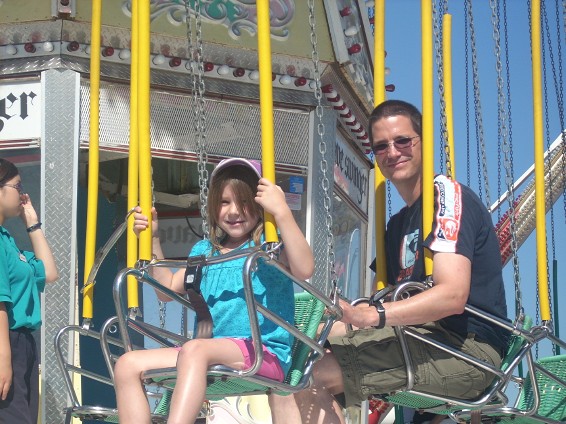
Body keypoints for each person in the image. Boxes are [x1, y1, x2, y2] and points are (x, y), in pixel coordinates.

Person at [269, 100, 509, 424]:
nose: (392, 152)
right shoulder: (396, 225)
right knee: (293, 362)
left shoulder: (447, 198)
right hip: (420, 340)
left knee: (304, 377)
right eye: (381, 146)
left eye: (403, 141)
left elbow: (452, 295)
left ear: (424, 142)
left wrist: (370, 315)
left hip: (466, 349)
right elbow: (374, 299)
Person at [114, 157, 315, 424]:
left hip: (263, 353)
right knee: (127, 364)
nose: (234, 211)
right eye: (224, 202)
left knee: (195, 349)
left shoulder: (269, 245)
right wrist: (152, 238)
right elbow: (166, 291)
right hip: (208, 351)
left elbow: (304, 269)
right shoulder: (204, 252)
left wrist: (282, 213)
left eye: (244, 201)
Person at [0, 158, 59, 424]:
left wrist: (32, 223)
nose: (23, 194)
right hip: (6, 341)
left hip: (22, 343)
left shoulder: (7, 241)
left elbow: (48, 273)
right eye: (16, 186)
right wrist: (4, 358)